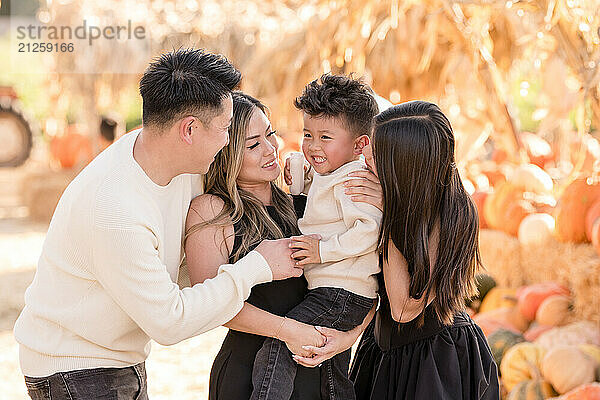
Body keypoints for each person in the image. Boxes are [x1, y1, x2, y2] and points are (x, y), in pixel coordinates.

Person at [13, 48, 302, 400]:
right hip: (76, 370)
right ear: (190, 129)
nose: (229, 142)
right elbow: (170, 322)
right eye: (226, 130)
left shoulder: (174, 161)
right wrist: (258, 267)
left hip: (120, 358)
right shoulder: (115, 209)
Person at [185, 91, 375, 400]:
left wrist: (346, 338)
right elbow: (209, 307)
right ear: (225, 152)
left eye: (270, 134)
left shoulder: (304, 207)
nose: (271, 148)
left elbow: (364, 280)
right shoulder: (212, 211)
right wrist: (288, 331)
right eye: (253, 144)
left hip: (323, 370)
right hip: (252, 376)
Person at [341, 101, 500, 399]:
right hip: (384, 350)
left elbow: (404, 307)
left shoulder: (452, 214)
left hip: (435, 361)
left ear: (401, 165)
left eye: (375, 153)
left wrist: (387, 216)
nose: (364, 154)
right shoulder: (393, 192)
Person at [251, 74, 382, 400]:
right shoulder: (333, 174)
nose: (312, 145)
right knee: (329, 369)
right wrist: (301, 179)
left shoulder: (354, 180)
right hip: (340, 292)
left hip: (342, 292)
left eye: (325, 137)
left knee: (278, 349)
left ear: (360, 144)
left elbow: (369, 232)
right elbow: (321, 208)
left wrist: (322, 251)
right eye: (308, 134)